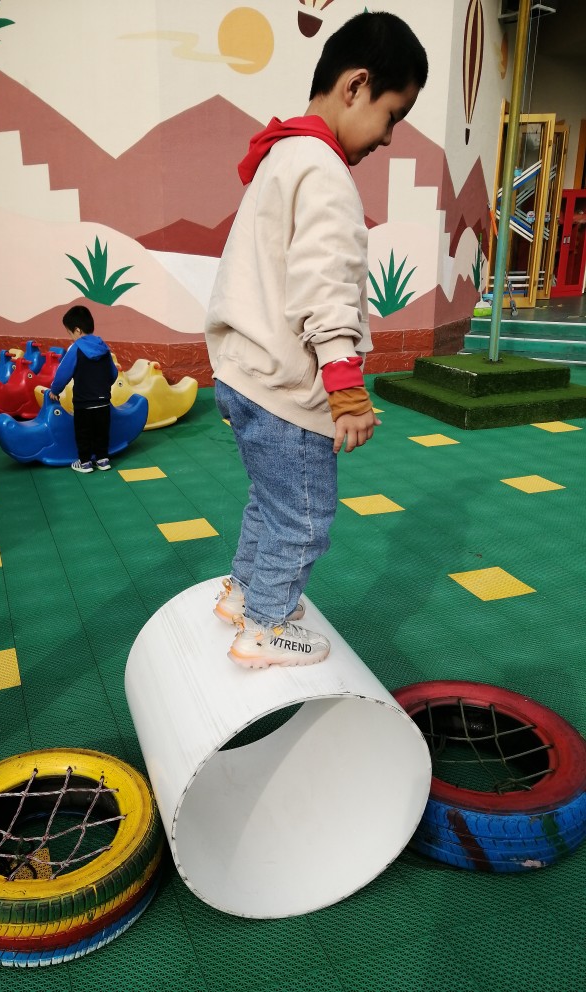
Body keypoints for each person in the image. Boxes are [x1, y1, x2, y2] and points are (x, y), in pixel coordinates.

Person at [205, 12, 427, 669]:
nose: (387, 137)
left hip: (240, 375)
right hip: (284, 389)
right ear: (355, 86)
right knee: (303, 516)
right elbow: (326, 287)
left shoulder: (282, 156)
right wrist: (347, 391)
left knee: (269, 499)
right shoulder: (325, 173)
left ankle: (242, 594)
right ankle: (265, 627)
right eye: (392, 115)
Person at [48, 305, 118, 473]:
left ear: (77, 330)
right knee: (101, 432)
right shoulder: (103, 347)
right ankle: (103, 460)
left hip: (83, 403)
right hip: (103, 401)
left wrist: (55, 391)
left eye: (70, 333)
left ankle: (85, 462)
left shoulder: (76, 348)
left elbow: (63, 373)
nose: (71, 337)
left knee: (83, 432)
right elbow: (113, 373)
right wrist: (103, 387)